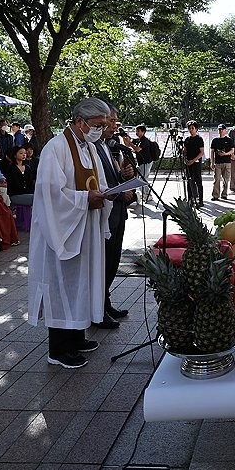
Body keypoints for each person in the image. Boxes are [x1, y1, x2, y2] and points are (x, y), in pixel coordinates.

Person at [26, 97, 115, 369]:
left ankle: (76, 336)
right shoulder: (56, 148)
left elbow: (97, 182)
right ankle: (59, 349)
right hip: (62, 228)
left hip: (84, 226)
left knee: (80, 284)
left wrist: (106, 195)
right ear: (79, 121)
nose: (101, 129)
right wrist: (86, 199)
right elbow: (50, 193)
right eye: (97, 124)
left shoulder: (87, 147)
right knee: (61, 285)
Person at [94, 103, 135, 325]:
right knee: (104, 262)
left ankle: (105, 303)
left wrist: (125, 175)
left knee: (113, 261)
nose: (114, 126)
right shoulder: (92, 147)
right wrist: (121, 194)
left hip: (118, 213)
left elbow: (113, 178)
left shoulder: (109, 146)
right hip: (106, 214)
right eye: (111, 121)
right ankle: (98, 310)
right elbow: (98, 185)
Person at [130, 125, 158, 203]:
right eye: (136, 131)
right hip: (142, 163)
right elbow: (129, 144)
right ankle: (145, 194)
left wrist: (131, 144)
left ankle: (148, 195)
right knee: (140, 178)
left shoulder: (144, 141)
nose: (136, 133)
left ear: (143, 132)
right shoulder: (139, 140)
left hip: (146, 162)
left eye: (138, 131)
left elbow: (137, 149)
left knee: (143, 179)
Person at [182, 121, 205, 208]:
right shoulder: (187, 140)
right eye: (189, 128)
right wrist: (185, 158)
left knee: (198, 181)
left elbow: (201, 152)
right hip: (188, 164)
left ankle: (200, 200)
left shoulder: (199, 139)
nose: (191, 130)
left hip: (196, 163)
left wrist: (193, 160)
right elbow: (185, 151)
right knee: (189, 181)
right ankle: (190, 199)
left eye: (192, 128)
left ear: (196, 129)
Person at [209, 124, 234, 201]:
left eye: (222, 129)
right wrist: (212, 162)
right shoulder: (215, 140)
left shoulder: (229, 140)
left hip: (227, 162)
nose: (221, 131)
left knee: (226, 179)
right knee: (216, 179)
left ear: (225, 130)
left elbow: (232, 150)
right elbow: (212, 152)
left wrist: (225, 153)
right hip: (218, 163)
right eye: (219, 129)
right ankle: (215, 195)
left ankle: (224, 194)